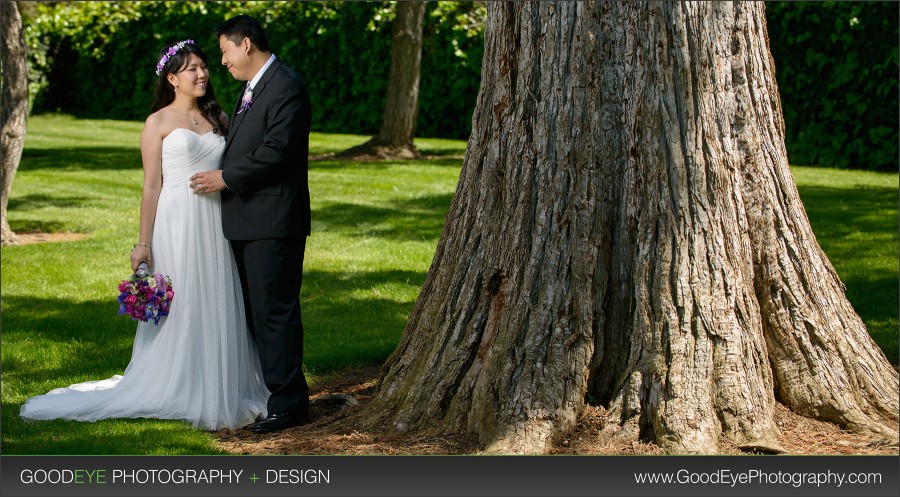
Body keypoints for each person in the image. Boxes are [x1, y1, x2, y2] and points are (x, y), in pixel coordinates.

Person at [20, 40, 269, 430]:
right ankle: (182, 384)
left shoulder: (219, 116)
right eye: (192, 69)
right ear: (172, 79)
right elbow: (151, 186)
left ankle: (221, 380)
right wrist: (143, 242)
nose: (202, 73)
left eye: (204, 66)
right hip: (178, 221)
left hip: (214, 222)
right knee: (185, 299)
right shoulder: (157, 123)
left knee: (216, 295)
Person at [189, 15, 311, 434]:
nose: (221, 61)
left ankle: (290, 404)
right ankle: (272, 394)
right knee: (257, 315)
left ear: (245, 44)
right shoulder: (253, 87)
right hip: (248, 220)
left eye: (224, 51)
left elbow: (278, 150)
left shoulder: (286, 85)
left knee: (274, 313)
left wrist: (225, 178)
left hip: (274, 221)